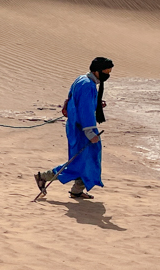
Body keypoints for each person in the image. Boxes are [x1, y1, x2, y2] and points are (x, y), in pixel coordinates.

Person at [35, 57, 114, 199]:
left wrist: (95, 104)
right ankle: (44, 176)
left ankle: (77, 190)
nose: (108, 74)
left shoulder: (83, 79)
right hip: (81, 129)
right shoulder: (87, 85)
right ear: (97, 71)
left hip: (77, 126)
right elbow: (84, 110)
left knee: (87, 159)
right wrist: (90, 132)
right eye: (106, 71)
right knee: (80, 161)